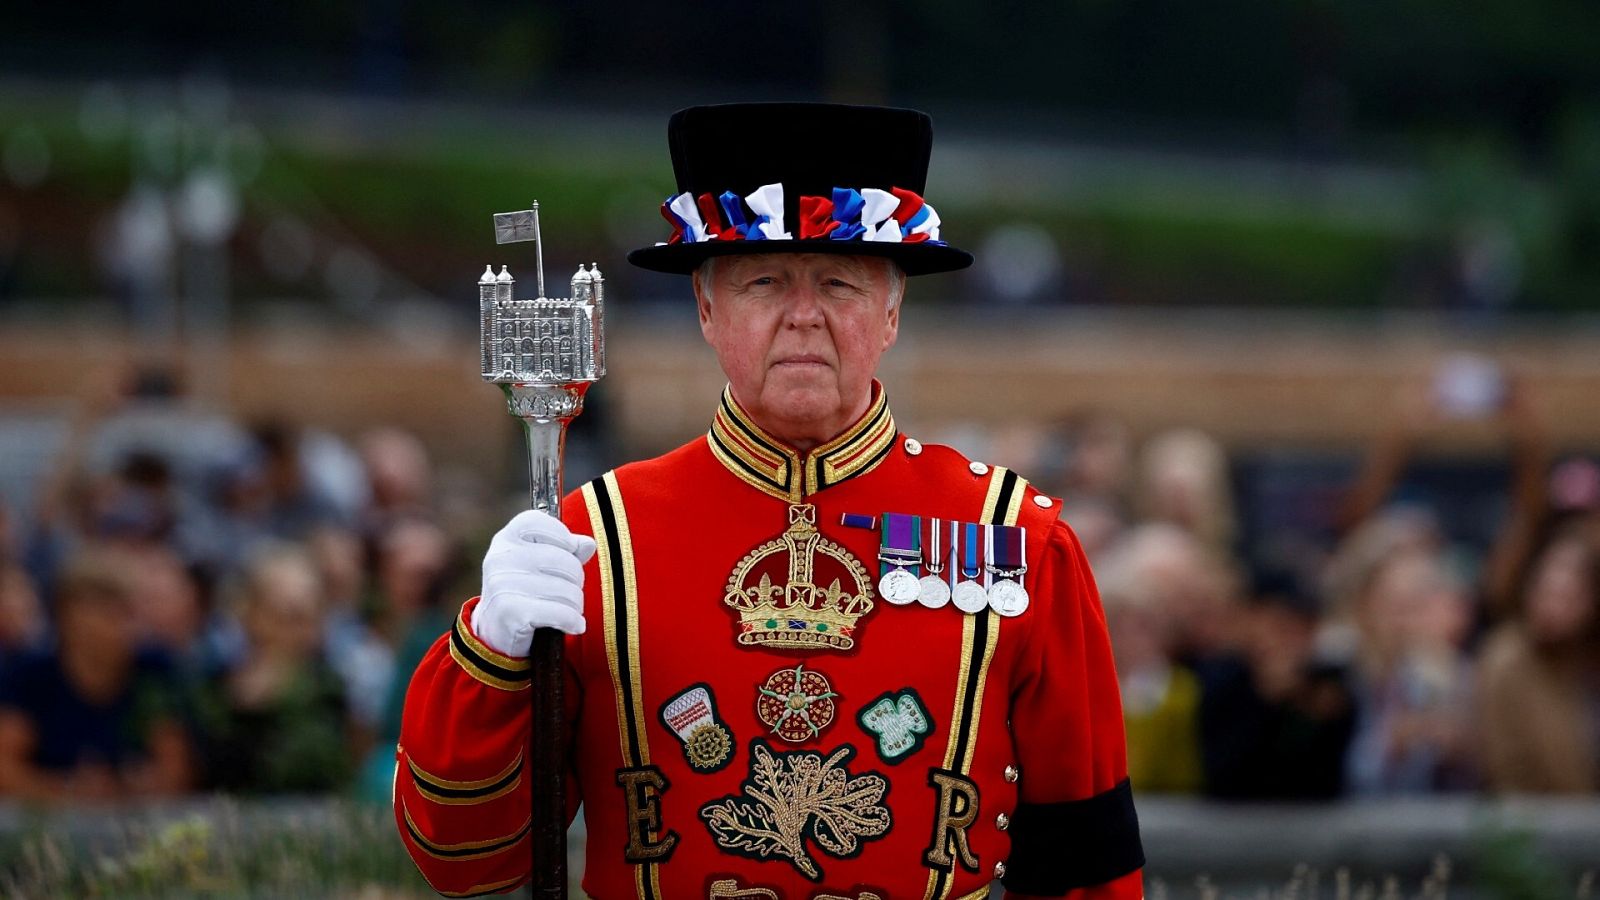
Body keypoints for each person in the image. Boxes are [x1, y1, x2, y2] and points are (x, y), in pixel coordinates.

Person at [395, 103, 1143, 899]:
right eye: (764, 281)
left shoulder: (1016, 539)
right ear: (707, 310)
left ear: (892, 311)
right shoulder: (592, 542)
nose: (804, 316)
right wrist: (489, 658)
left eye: (839, 282)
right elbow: (466, 859)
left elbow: (1085, 867)